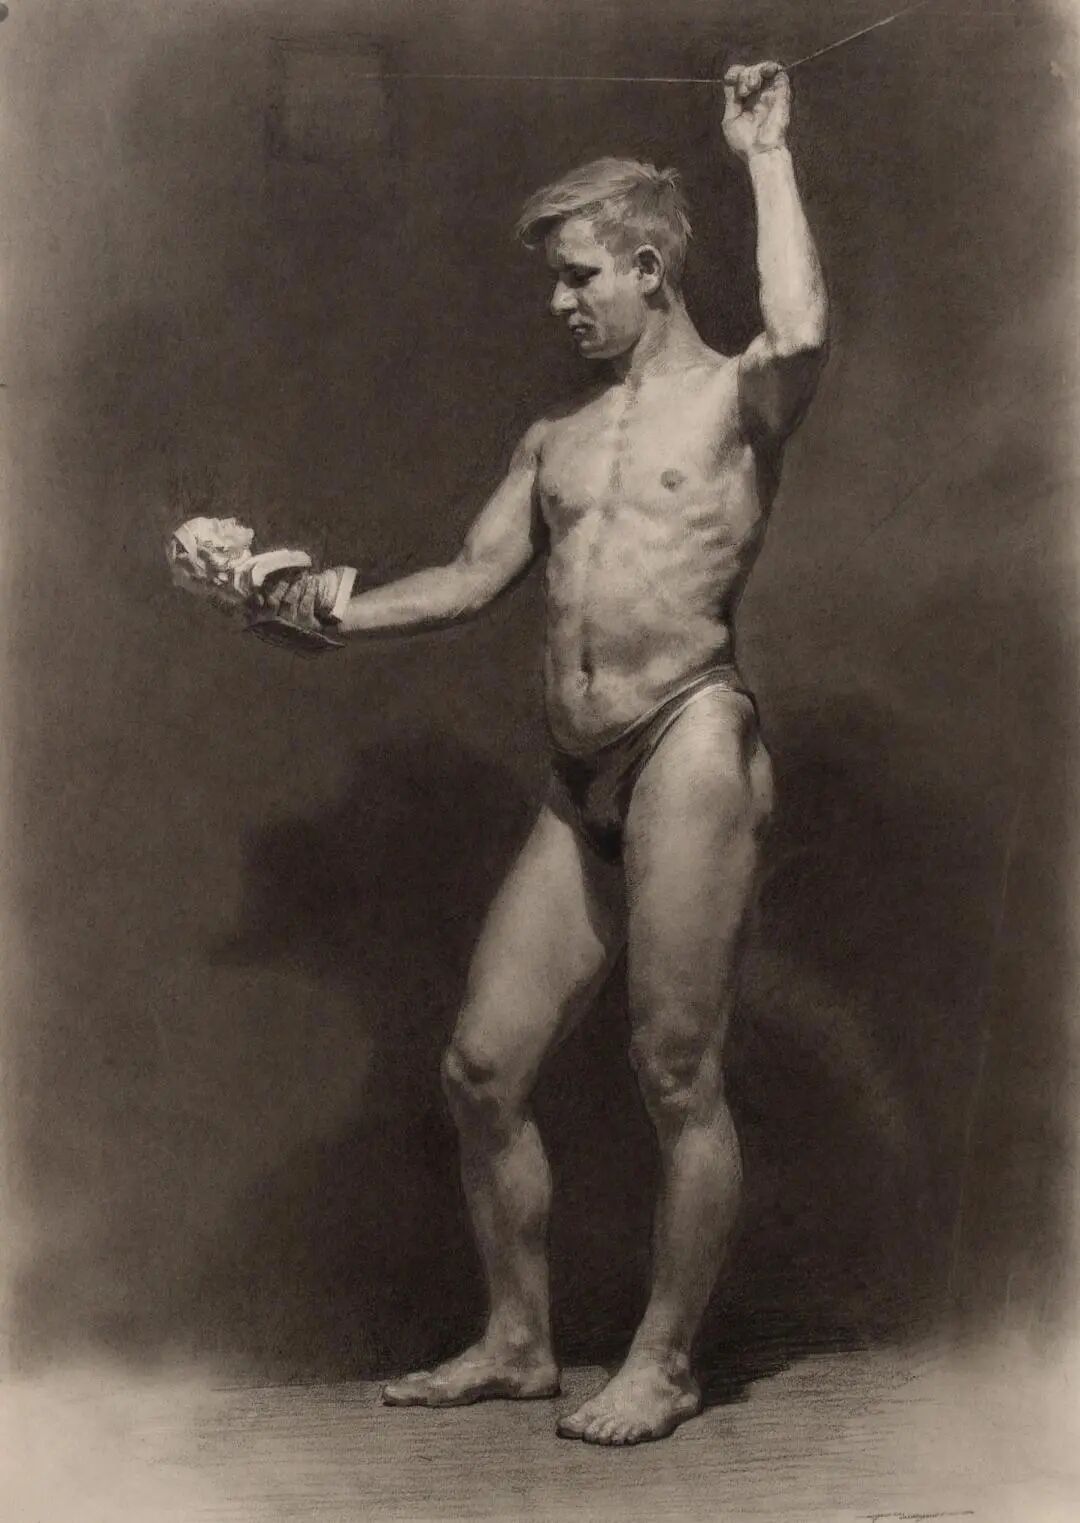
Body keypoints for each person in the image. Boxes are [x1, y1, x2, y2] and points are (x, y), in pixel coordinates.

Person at [263, 60, 827, 1445]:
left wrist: (763, 155)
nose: (559, 303)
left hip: (690, 739)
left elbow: (803, 325)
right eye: (554, 280)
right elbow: (467, 579)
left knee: (677, 1070)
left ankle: (667, 1363)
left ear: (648, 268)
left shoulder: (738, 399)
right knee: (480, 1067)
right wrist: (316, 606)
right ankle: (518, 1343)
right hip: (584, 781)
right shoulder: (554, 439)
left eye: (578, 277)